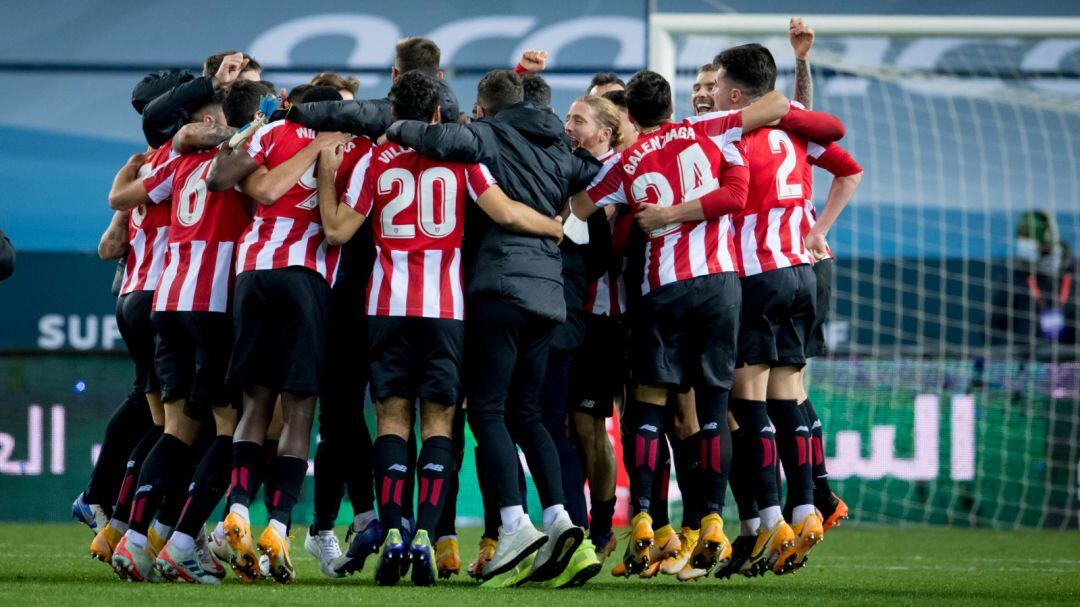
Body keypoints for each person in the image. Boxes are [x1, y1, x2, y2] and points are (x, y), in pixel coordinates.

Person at [318, 69, 563, 586]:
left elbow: (338, 231)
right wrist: (553, 225)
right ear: (436, 115)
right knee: (438, 424)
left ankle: (391, 532)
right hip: (445, 310)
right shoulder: (461, 157)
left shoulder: (372, 160)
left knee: (391, 420)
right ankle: (426, 536)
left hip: (386, 306)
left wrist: (324, 179)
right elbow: (507, 213)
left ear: (392, 111)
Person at [570, 69, 791, 577]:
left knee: (647, 405)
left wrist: (654, 214)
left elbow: (578, 210)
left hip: (660, 291)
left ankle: (645, 515)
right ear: (671, 103)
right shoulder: (709, 131)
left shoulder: (625, 161)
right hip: (720, 286)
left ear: (629, 116)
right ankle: (712, 520)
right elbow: (738, 192)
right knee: (713, 405)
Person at [385, 68, 600, 583]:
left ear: (482, 109)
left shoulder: (481, 141)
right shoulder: (558, 150)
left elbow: (427, 137)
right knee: (528, 414)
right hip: (550, 296)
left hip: (499, 289)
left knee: (486, 411)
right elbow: (595, 172)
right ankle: (562, 520)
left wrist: (390, 124)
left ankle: (512, 522)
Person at [105, 82, 269, 583]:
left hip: (168, 301)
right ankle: (181, 543)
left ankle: (133, 540)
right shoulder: (239, 158)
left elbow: (124, 198)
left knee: (178, 429)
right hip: (212, 304)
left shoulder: (175, 164)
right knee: (234, 426)